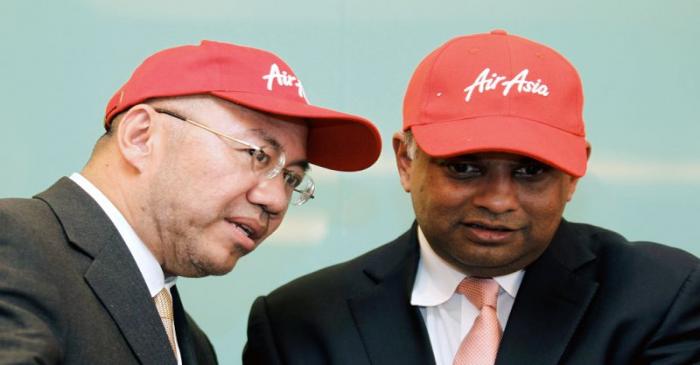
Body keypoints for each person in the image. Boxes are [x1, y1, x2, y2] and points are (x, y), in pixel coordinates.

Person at [243, 30, 700, 365]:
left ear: (574, 173)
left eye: (531, 171)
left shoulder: (661, 298)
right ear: (405, 160)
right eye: (465, 168)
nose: (499, 200)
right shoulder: (300, 323)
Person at [0, 40, 381, 365]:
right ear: (141, 136)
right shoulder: (14, 245)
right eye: (258, 155)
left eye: (292, 179)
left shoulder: (193, 344)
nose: (275, 200)